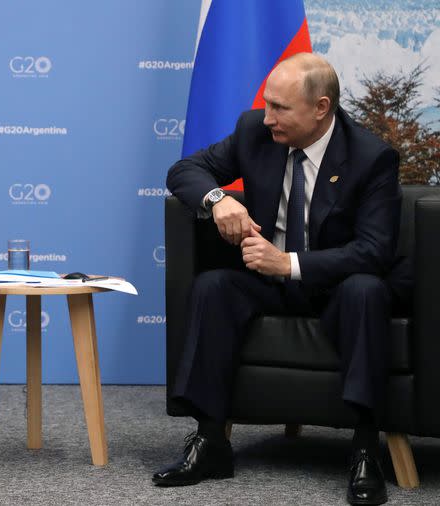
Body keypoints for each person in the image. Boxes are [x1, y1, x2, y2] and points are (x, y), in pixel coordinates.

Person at [156, 53, 405, 506]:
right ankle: (210, 441)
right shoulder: (256, 132)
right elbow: (183, 171)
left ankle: (366, 449)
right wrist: (218, 201)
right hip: (267, 283)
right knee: (213, 287)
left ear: (321, 108)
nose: (267, 117)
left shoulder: (371, 157)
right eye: (267, 104)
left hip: (336, 285)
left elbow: (374, 251)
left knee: (367, 291)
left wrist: (287, 263)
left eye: (281, 108)